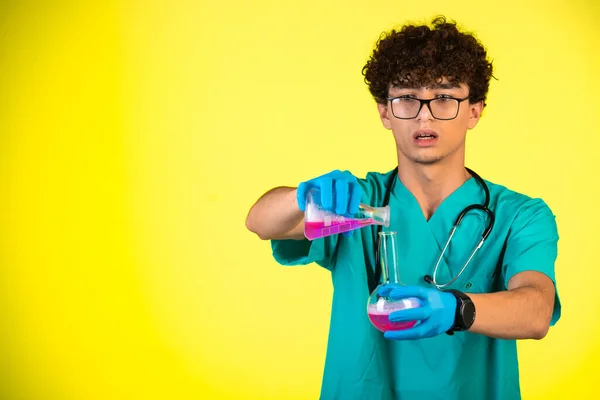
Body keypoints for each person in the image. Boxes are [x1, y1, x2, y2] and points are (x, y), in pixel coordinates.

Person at [245, 16, 560, 400]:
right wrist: (302, 197)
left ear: (474, 110)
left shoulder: (519, 216)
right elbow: (260, 222)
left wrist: (454, 309)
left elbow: (537, 310)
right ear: (385, 112)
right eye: (407, 97)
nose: (424, 114)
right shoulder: (356, 205)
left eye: (444, 97)